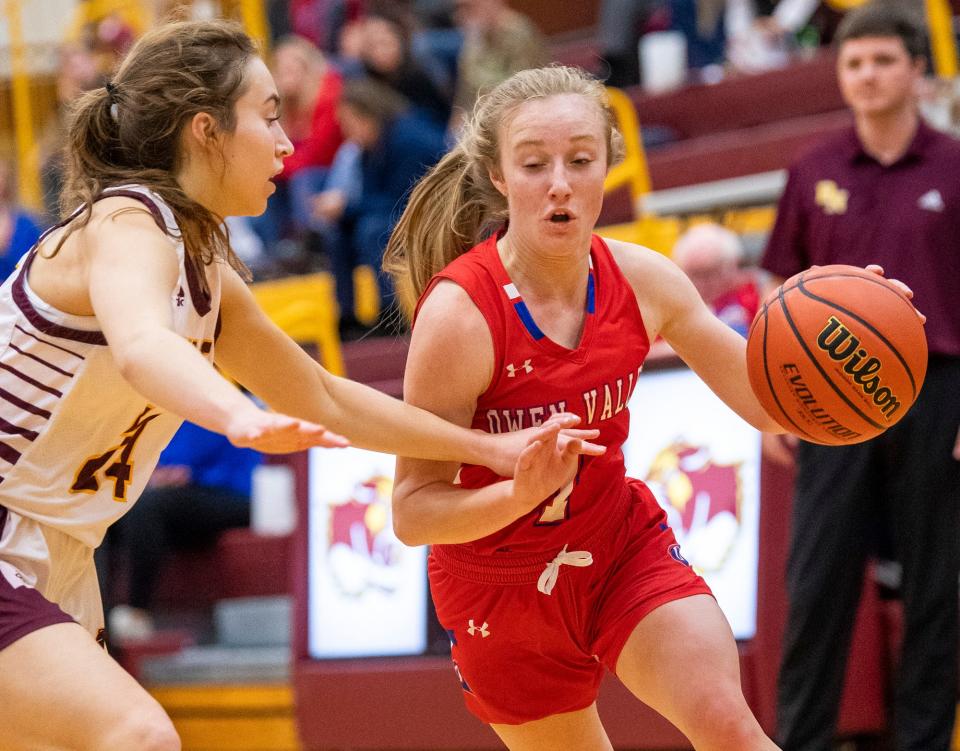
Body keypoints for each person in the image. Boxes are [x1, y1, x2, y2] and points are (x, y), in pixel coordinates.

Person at [0, 20, 598, 751]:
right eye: (270, 115)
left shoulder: (205, 269)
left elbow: (325, 395)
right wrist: (234, 414)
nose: (289, 142)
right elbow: (142, 345)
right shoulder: (129, 220)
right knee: (135, 736)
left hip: (57, 547)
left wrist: (490, 448)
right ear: (206, 131)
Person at [384, 64, 809, 751]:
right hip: (500, 587)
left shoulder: (644, 279)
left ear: (607, 165)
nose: (559, 181)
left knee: (731, 727)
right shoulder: (460, 317)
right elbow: (411, 511)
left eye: (580, 160)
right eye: (534, 163)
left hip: (617, 547)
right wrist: (515, 494)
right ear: (498, 175)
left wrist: (835, 338)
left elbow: (774, 406)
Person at [759, 3, 960, 750]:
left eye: (882, 60)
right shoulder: (812, 169)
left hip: (939, 388)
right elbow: (778, 283)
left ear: (916, 70)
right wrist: (775, 395)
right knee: (816, 586)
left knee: (937, 589)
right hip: (830, 393)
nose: (867, 75)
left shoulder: (954, 165)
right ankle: (800, 741)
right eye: (854, 63)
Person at [101, 420, 262, 642]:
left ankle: (136, 612)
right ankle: (98, 617)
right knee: (100, 512)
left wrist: (175, 474)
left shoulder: (217, 398)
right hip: (172, 501)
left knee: (146, 507)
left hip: (232, 493)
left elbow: (187, 465)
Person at [310, 77, 446, 337]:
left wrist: (346, 205)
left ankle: (390, 313)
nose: (347, 134)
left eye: (349, 124)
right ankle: (347, 316)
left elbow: (405, 199)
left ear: (368, 115)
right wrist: (344, 210)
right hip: (394, 209)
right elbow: (376, 198)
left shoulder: (410, 139)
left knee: (372, 230)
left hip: (433, 213)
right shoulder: (371, 147)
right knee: (338, 232)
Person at [671, 222, 760, 337]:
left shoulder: (756, 295)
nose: (702, 283)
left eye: (709, 273)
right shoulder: (675, 305)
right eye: (694, 275)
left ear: (733, 266)